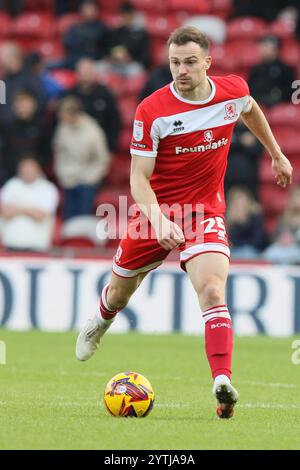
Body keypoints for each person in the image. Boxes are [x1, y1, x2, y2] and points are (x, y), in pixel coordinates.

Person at [76, 27, 293, 419]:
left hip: (205, 212)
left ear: (208, 62)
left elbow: (250, 109)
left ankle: (221, 382)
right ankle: (100, 321)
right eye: (175, 62)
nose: (181, 70)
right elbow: (138, 179)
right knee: (121, 294)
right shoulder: (152, 110)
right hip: (153, 212)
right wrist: (158, 221)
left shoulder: (232, 91)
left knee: (212, 291)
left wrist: (276, 154)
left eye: (190, 62)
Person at [53, 96, 110, 220]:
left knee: (83, 215)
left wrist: (90, 178)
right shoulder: (62, 129)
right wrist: (63, 174)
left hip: (88, 179)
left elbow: (102, 159)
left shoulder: (93, 131)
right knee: (68, 217)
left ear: (73, 114)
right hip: (68, 177)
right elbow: (60, 154)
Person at [0, 156, 59, 252]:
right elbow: (5, 213)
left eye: (30, 169)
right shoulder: (10, 185)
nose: (27, 172)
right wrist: (30, 209)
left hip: (38, 247)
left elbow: (40, 215)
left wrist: (17, 208)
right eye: (24, 169)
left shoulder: (48, 188)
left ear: (38, 170)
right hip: (11, 245)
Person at [69, 58, 121, 152]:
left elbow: (114, 121)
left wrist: (111, 148)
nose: (85, 76)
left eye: (89, 72)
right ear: (77, 74)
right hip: (74, 145)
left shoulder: (105, 94)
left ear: (95, 74)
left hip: (99, 144)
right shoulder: (69, 95)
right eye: (83, 73)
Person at [248, 35, 295, 108]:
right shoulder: (255, 69)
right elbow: (250, 91)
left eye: (269, 47)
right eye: (264, 46)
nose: (265, 49)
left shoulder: (285, 69)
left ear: (277, 49)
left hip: (279, 106)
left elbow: (290, 92)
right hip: (259, 104)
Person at [63, 0, 111, 69]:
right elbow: (68, 44)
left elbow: (106, 48)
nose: (89, 11)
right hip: (77, 60)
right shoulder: (75, 27)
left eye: (92, 8)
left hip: (96, 61)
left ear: (97, 10)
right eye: (87, 8)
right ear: (81, 11)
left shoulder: (102, 28)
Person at [226, 186, 267, 259]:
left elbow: (258, 239)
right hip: (234, 251)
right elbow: (229, 241)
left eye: (243, 203)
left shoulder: (255, 216)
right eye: (237, 203)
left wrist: (239, 244)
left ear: (249, 203)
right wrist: (234, 222)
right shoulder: (229, 218)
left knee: (247, 252)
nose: (240, 206)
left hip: (253, 250)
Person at [263, 185, 300, 264]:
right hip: (282, 248)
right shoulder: (284, 217)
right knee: (269, 253)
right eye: (296, 197)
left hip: (296, 248)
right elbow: (274, 236)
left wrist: (294, 240)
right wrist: (280, 239)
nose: (298, 200)